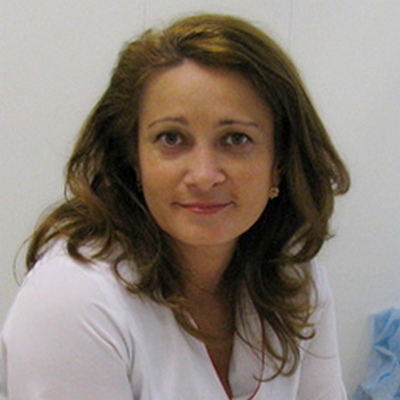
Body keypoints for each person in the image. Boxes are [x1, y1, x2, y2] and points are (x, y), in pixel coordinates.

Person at [0, 13, 350, 400]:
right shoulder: (75, 299)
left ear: (279, 162)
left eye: (236, 139)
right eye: (171, 138)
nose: (203, 175)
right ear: (133, 157)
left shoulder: (294, 277)